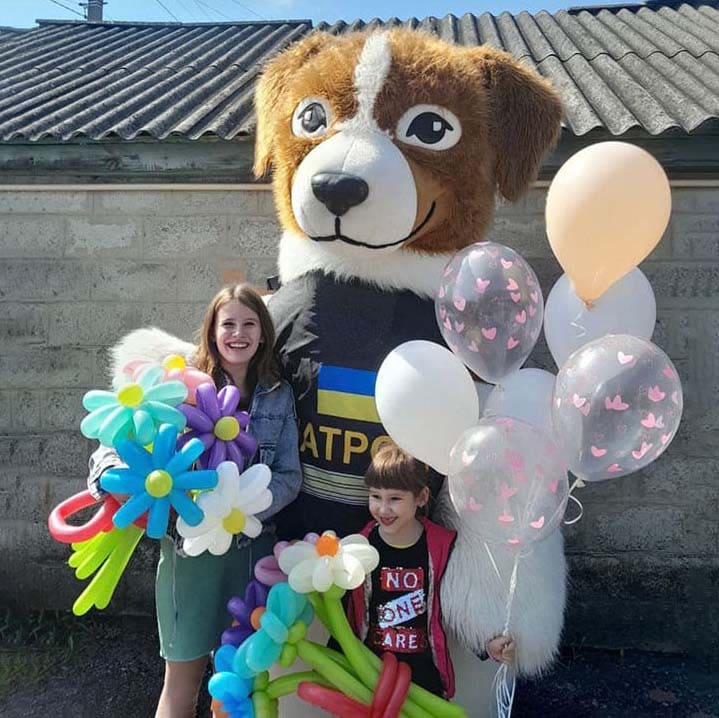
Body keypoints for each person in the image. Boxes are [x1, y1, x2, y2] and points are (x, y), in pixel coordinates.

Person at [86, 284, 302, 718]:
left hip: (251, 555)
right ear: (212, 331)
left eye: (249, 324)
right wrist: (117, 482)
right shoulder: (177, 385)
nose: (238, 334)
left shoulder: (278, 393)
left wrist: (240, 509)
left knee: (235, 686)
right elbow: (113, 447)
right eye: (228, 324)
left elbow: (289, 476)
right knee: (180, 687)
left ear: (263, 333)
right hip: (189, 557)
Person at [347, 442, 515, 699]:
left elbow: (459, 604)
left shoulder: (442, 546)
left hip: (424, 678)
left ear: (422, 497)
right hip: (371, 676)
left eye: (395, 498)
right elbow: (349, 613)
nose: (383, 508)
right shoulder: (360, 546)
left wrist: (487, 645)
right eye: (375, 496)